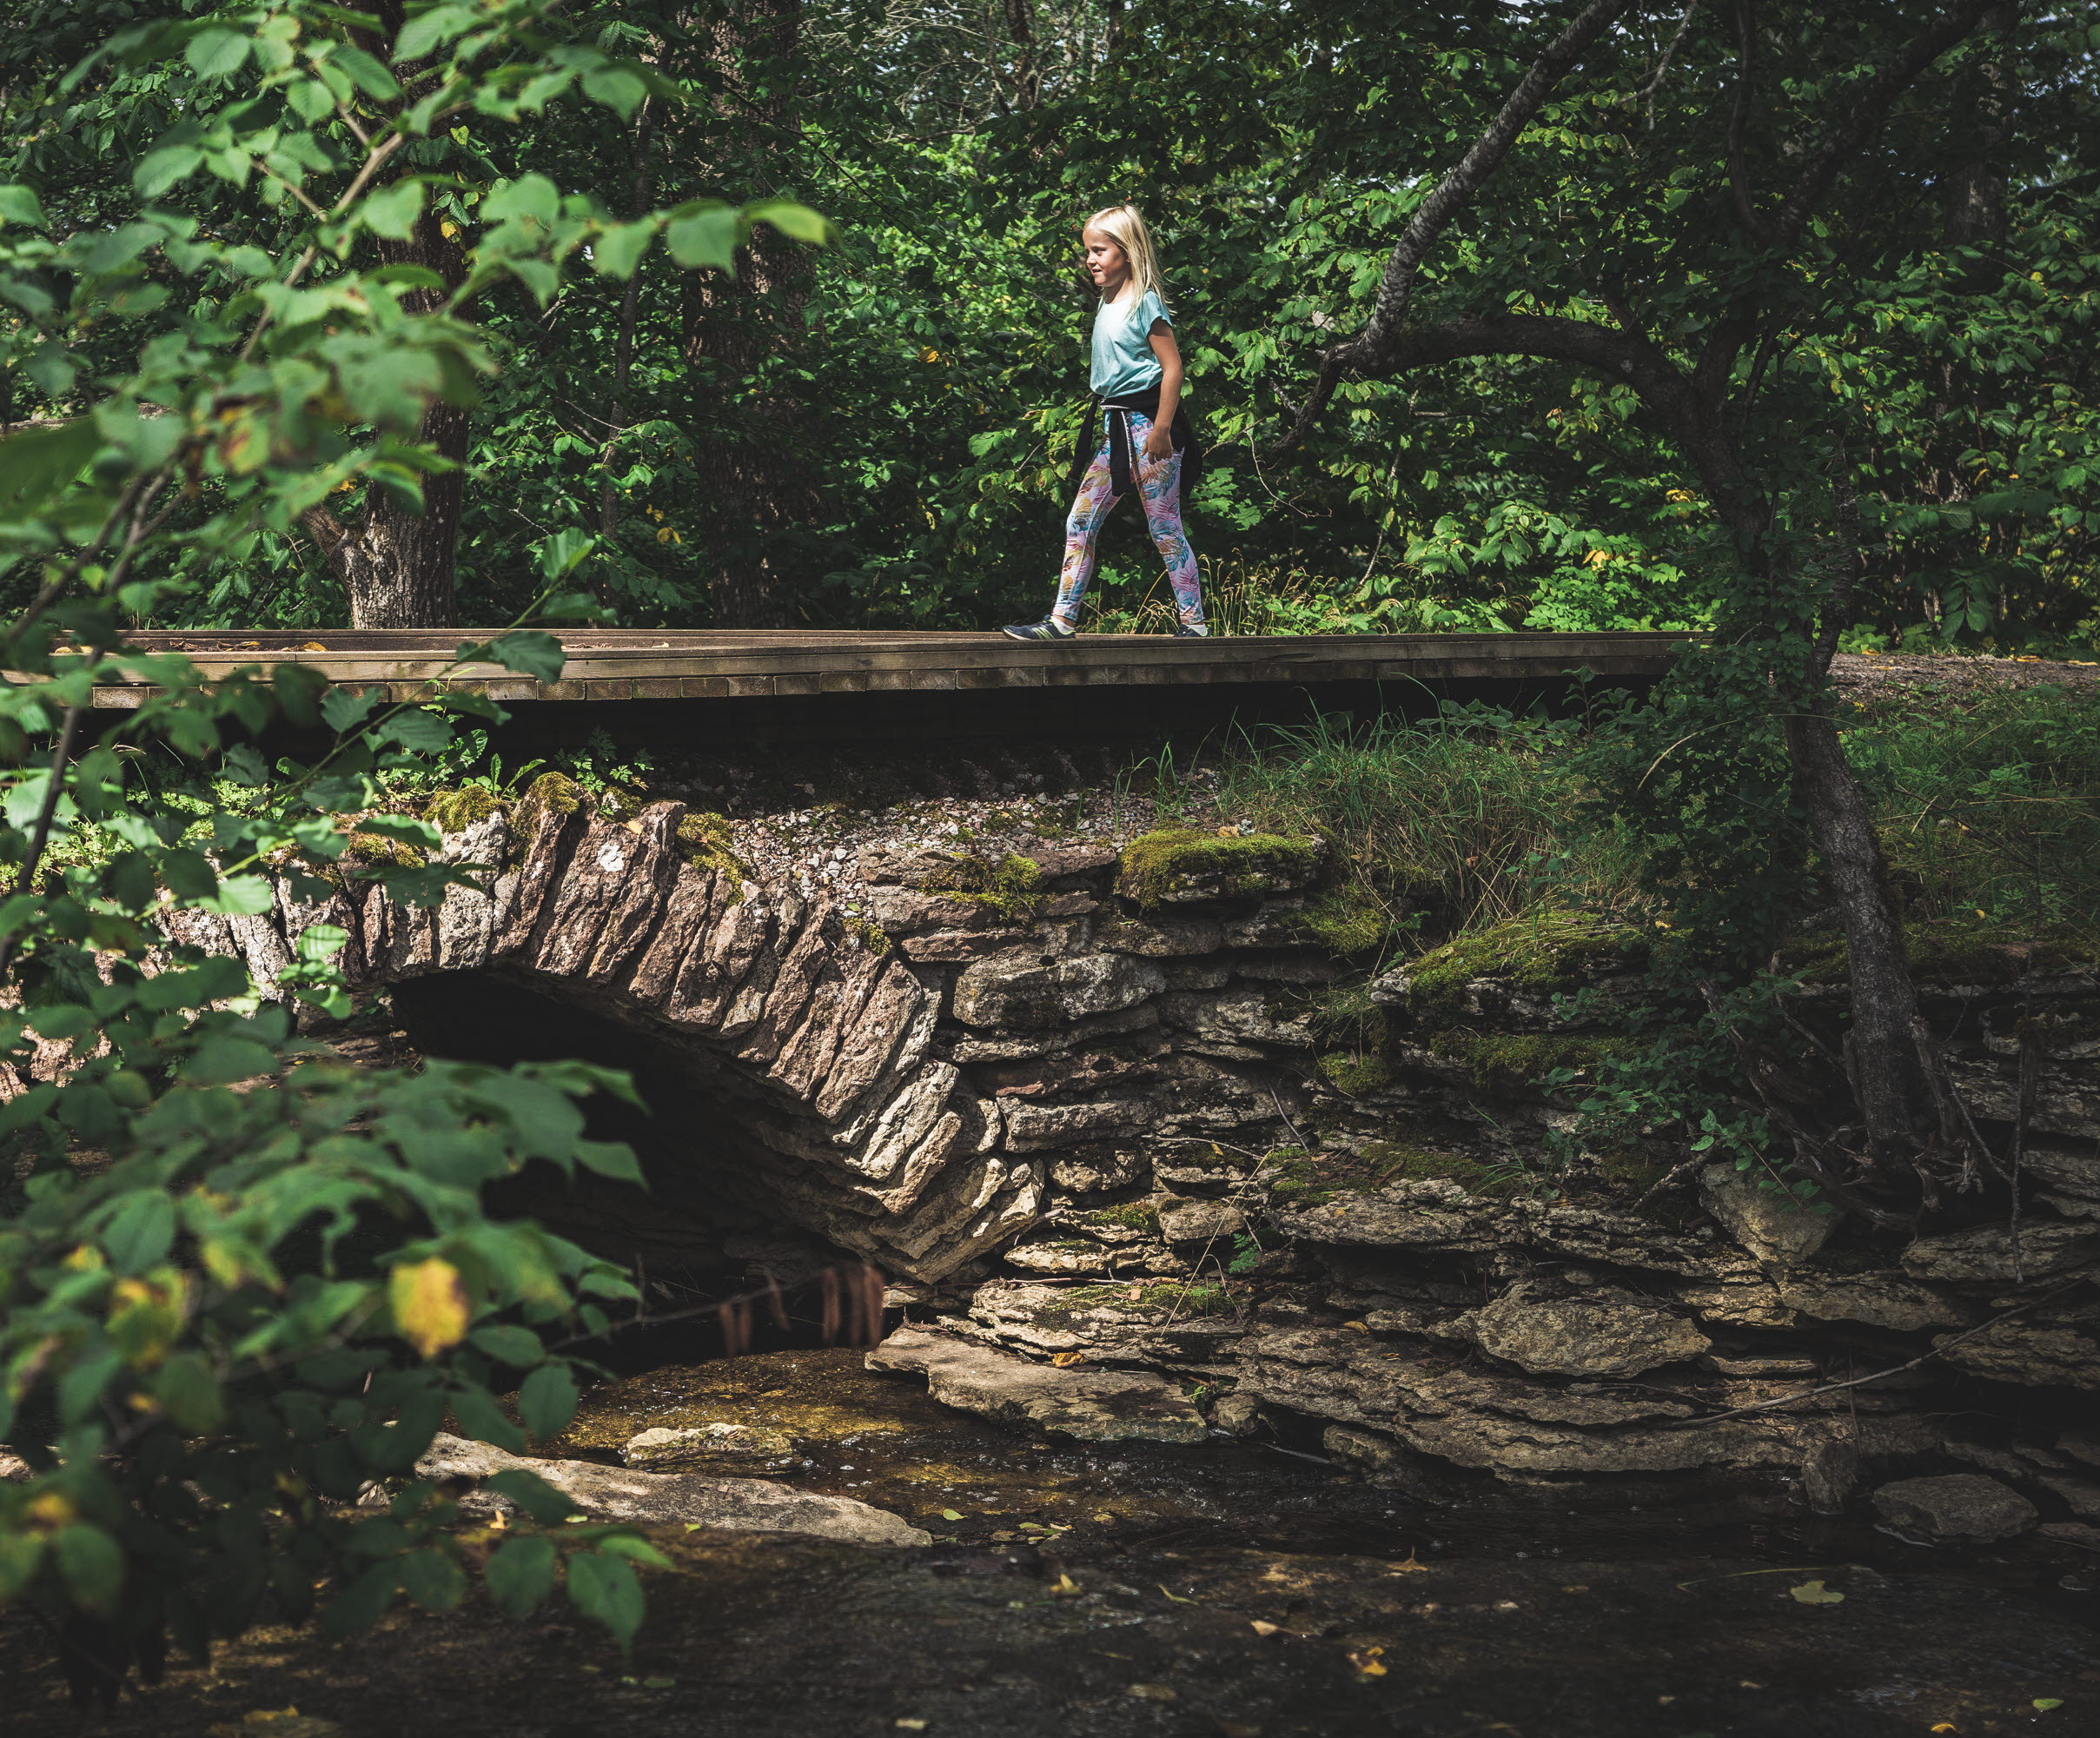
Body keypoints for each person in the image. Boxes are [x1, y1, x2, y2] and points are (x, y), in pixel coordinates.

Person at [1003, 203, 1207, 640]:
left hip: (1151, 428)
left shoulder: (1145, 301)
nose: (1091, 260)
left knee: (1164, 525)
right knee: (1080, 520)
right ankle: (1061, 621)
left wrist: (1162, 431)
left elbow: (1172, 368)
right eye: (1088, 252)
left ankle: (1194, 625)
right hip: (1116, 430)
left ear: (1127, 251)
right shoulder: (1107, 298)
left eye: (1099, 250)